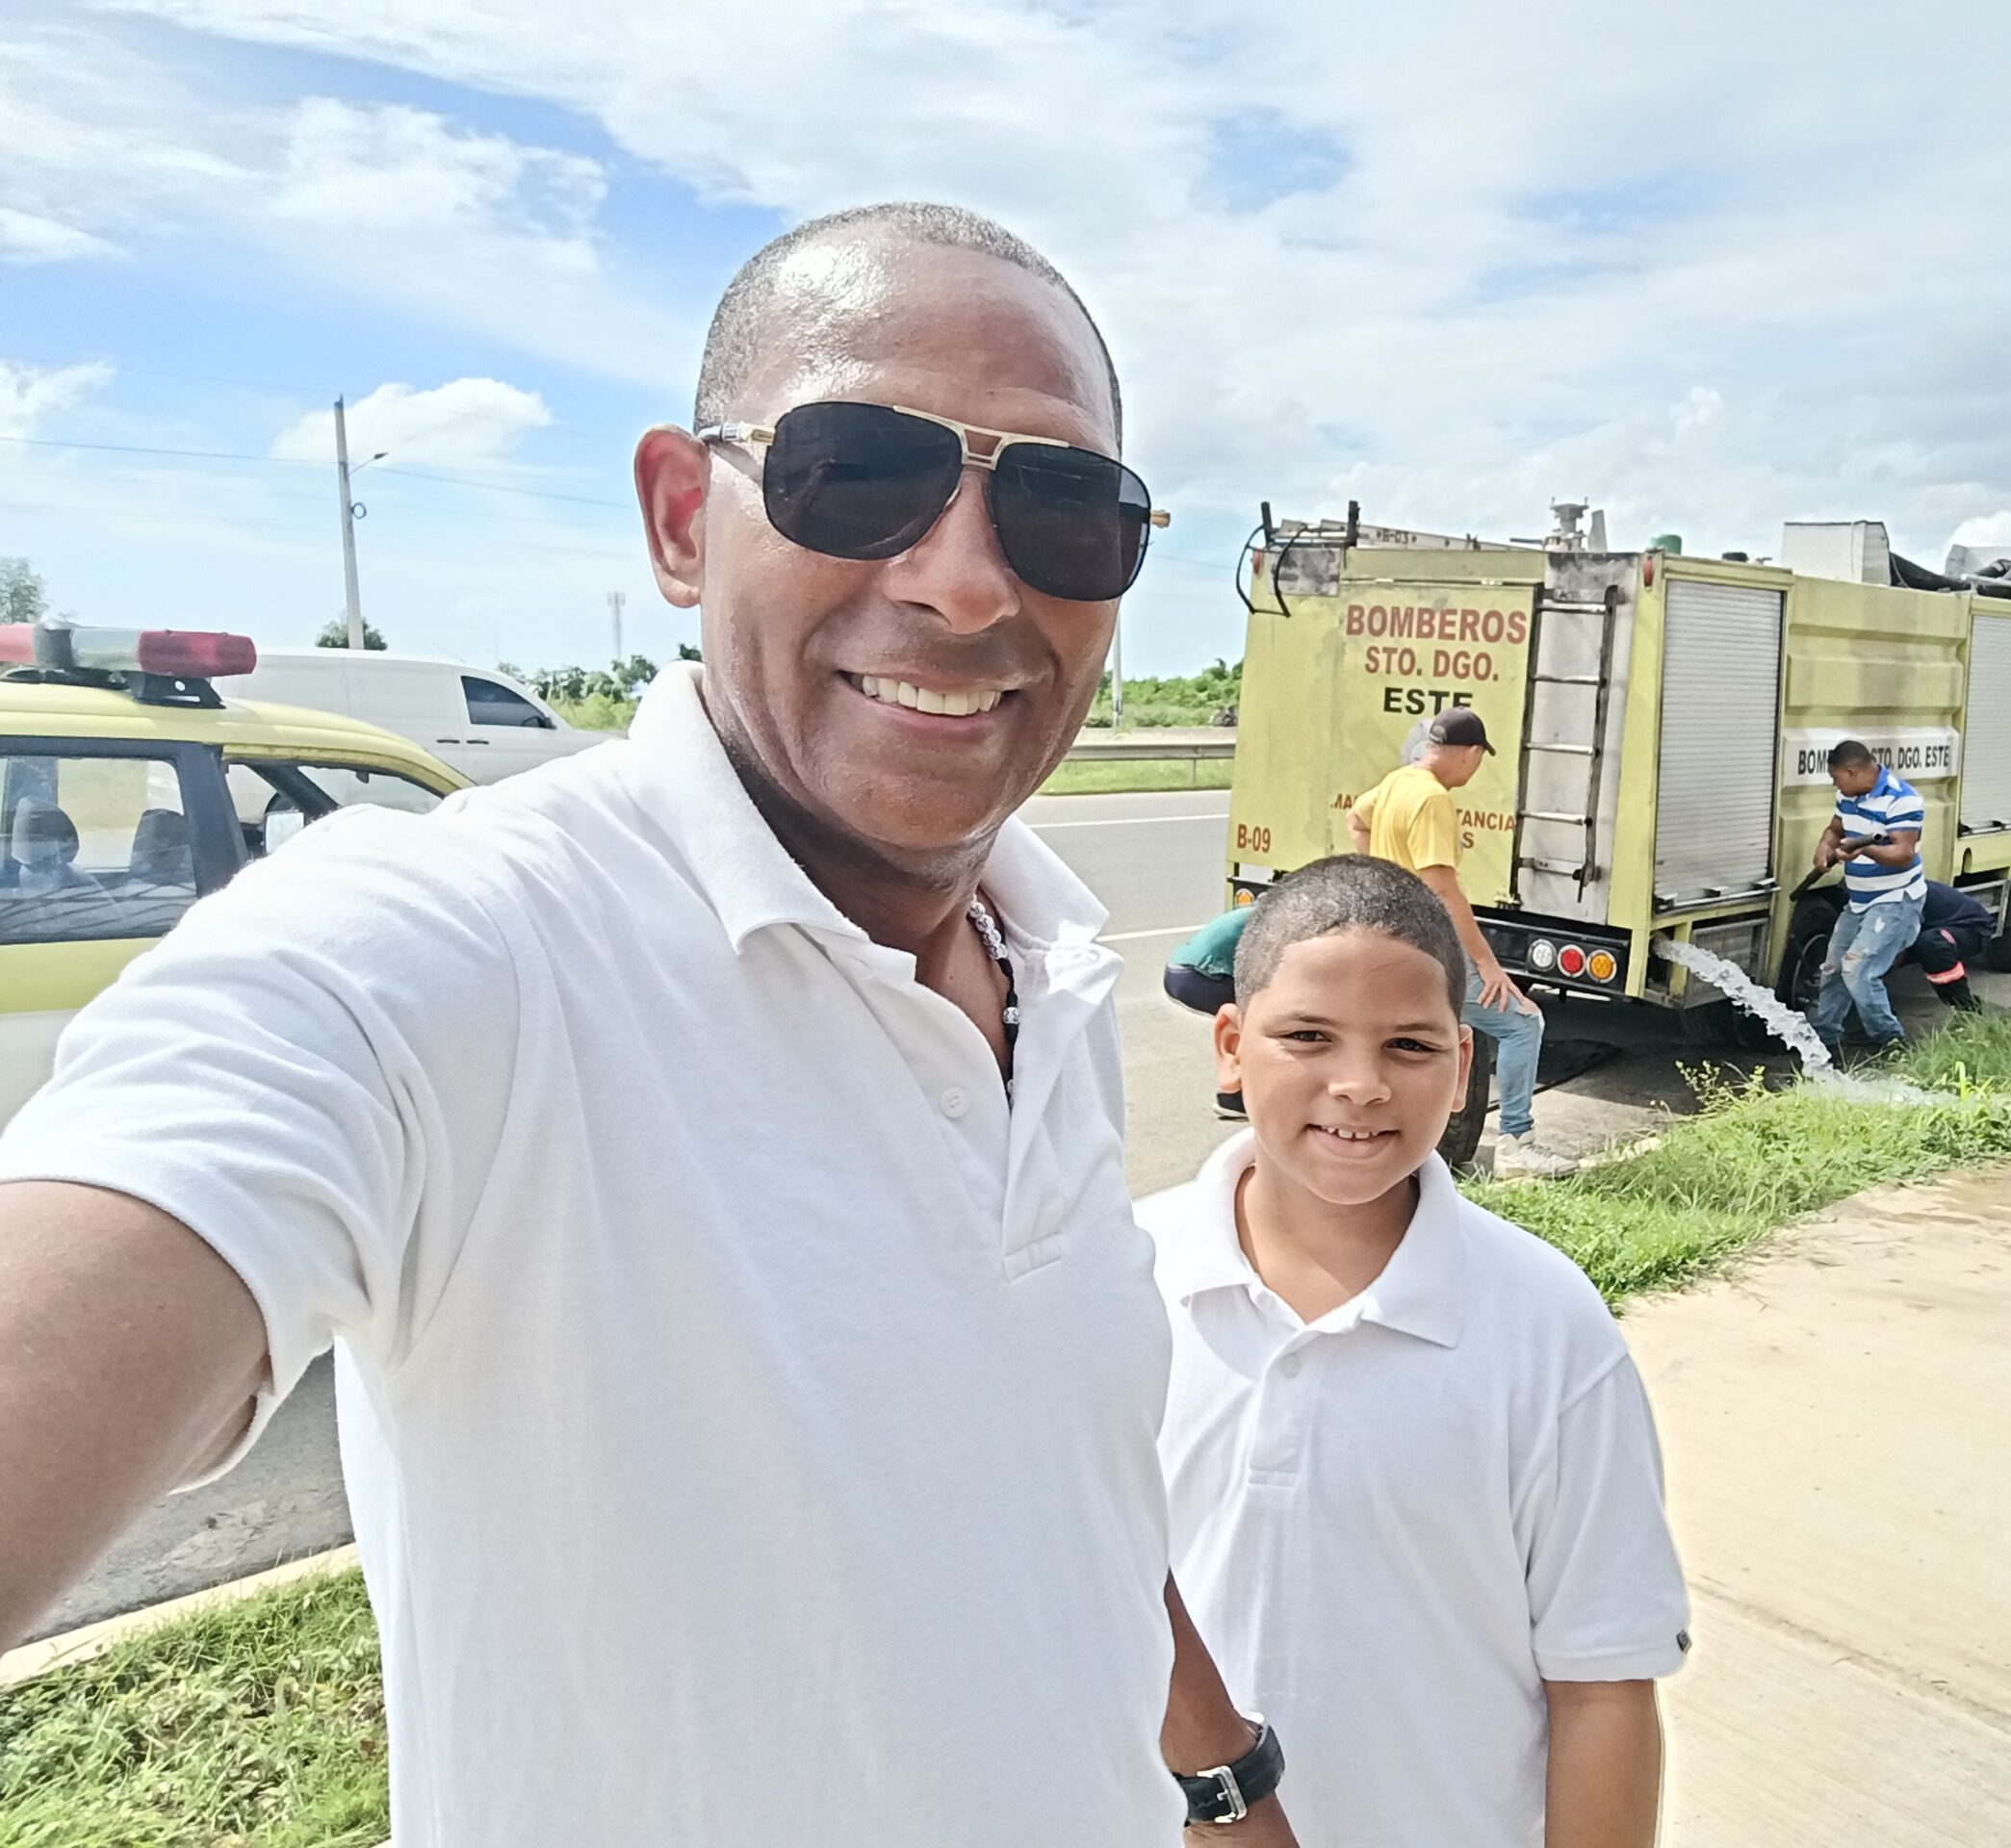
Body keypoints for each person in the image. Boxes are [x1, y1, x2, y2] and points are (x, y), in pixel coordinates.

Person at [0, 205, 1295, 1846]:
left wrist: (1223, 1774)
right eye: (856, 471)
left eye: (1059, 505)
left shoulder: (1050, 964)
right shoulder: (457, 957)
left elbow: (1061, 1474)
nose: (968, 584)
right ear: (685, 521)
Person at [1143, 855, 1689, 1846]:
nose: (1357, 1086)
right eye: (1307, 1036)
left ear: (1463, 1065)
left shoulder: (1546, 1328)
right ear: (1231, 1047)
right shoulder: (1123, 1283)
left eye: (1408, 1045)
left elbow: (1603, 1682)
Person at [1348, 706, 1575, 1178]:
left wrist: (1383, 882)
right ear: (1470, 754)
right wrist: (1488, 965)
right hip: (1430, 946)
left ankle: (1412, 1147)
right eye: (1479, 759)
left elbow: (1357, 819)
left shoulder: (1397, 782)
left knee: (1430, 1039)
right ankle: (1518, 1144)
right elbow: (1444, 891)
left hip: (1394, 941)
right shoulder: (1433, 801)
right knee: (1522, 1024)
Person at [1810, 738, 1928, 1059]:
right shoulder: (1846, 796)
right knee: (1833, 968)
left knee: (1858, 970)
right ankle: (1825, 1041)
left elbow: (1903, 853)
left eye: (1836, 777)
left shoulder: (1902, 799)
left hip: (1895, 901)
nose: (1834, 784)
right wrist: (1824, 847)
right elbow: (1834, 830)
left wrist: (1864, 849)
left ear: (1852, 770)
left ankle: (1890, 1041)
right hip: (1860, 901)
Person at [1167, 904, 1252, 1117]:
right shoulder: (1276, 919)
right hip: (1197, 977)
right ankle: (1235, 1098)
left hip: (1175, 973)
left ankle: (1237, 1094)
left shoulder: (1257, 910)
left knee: (1244, 1028)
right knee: (1257, 1027)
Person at [1912, 879, 1992, 1014]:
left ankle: (1966, 1009)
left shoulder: (1906, 896)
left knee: (1931, 945)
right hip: (1929, 924)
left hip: (1969, 926)